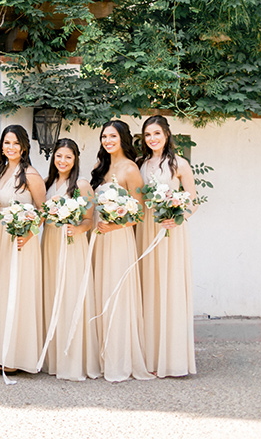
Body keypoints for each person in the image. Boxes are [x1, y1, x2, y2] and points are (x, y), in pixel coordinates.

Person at [90, 119, 153, 382]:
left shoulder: (130, 169)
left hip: (118, 238)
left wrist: (116, 226)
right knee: (98, 291)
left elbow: (139, 212)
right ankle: (100, 355)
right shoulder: (100, 166)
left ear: (123, 138)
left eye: (113, 136)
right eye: (104, 137)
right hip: (98, 237)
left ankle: (120, 358)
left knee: (116, 293)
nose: (108, 141)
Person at [139, 115, 199, 377]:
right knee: (149, 288)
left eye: (156, 134)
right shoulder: (140, 164)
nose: (152, 139)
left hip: (170, 231)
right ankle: (150, 358)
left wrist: (179, 217)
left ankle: (173, 359)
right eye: (147, 135)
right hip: (145, 229)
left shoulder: (179, 164)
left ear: (166, 135)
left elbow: (193, 201)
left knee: (169, 288)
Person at [41, 138, 101, 381]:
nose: (62, 161)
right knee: (52, 294)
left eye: (67, 156)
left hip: (72, 244)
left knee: (71, 295)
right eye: (58, 156)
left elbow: (89, 219)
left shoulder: (82, 185)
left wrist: (78, 229)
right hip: (51, 243)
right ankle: (52, 358)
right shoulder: (48, 184)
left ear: (75, 159)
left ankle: (74, 358)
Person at [0, 125, 45, 374]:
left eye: (14, 143)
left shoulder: (30, 174)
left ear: (24, 147)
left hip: (21, 239)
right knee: (2, 291)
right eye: (6, 143)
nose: (10, 147)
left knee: (18, 291)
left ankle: (17, 354)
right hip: (0, 237)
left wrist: (29, 233)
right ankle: (0, 351)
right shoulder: (0, 172)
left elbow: (42, 211)